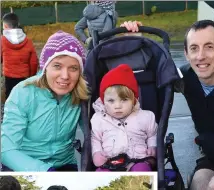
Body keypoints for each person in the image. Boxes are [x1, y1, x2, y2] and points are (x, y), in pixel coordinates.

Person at [123, 20, 214, 189]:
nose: (201, 56)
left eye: (209, 47)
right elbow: (151, 72)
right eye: (194, 48)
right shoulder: (185, 79)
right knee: (201, 185)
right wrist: (135, 40)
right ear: (186, 54)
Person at [1, 30, 89, 171]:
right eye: (57, 66)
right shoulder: (23, 93)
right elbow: (6, 150)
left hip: (64, 162)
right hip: (25, 164)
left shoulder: (81, 93)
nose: (65, 76)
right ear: (45, 67)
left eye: (73, 68)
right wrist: (45, 171)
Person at [91, 64, 157, 171]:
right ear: (103, 101)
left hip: (138, 160)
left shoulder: (146, 117)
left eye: (124, 100)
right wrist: (96, 153)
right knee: (100, 175)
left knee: (142, 171)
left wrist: (152, 146)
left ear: (134, 99)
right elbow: (95, 139)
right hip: (109, 162)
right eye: (111, 101)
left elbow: (152, 134)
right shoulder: (99, 119)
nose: (117, 106)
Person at [1, 12, 38, 99]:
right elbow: (34, 62)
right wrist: (31, 76)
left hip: (9, 77)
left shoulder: (2, 40)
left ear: (5, 26)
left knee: (10, 97)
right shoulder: (28, 41)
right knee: (23, 97)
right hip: (24, 77)